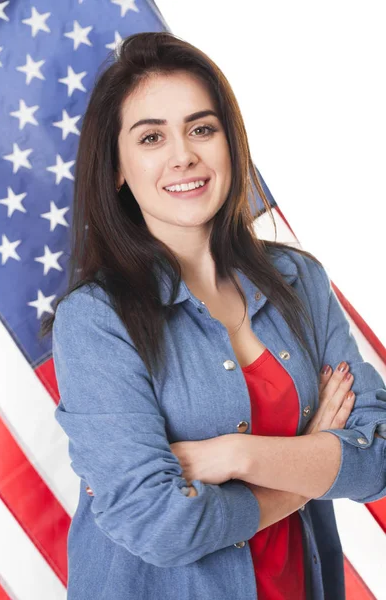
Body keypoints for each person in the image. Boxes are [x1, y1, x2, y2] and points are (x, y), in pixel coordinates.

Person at [40, 31, 386, 600]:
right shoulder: (96, 321)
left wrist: (233, 455)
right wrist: (305, 475)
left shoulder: (301, 281)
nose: (184, 155)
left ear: (231, 144)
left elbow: (376, 459)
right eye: (152, 137)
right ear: (118, 167)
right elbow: (159, 524)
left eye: (202, 128)